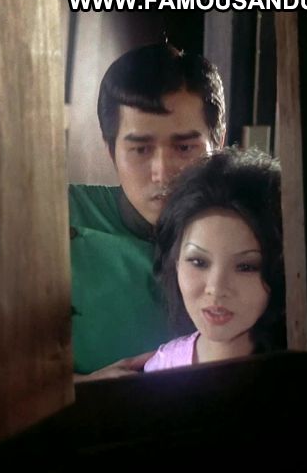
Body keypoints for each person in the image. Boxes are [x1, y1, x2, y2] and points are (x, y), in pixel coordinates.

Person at [70, 42, 226, 381]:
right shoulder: (60, 219)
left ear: (218, 142)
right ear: (110, 150)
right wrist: (84, 387)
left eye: (184, 147)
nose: (162, 172)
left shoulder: (256, 229)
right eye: (140, 149)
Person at [144, 149, 286, 372]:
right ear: (176, 262)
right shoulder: (161, 370)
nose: (216, 289)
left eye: (245, 267)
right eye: (198, 262)